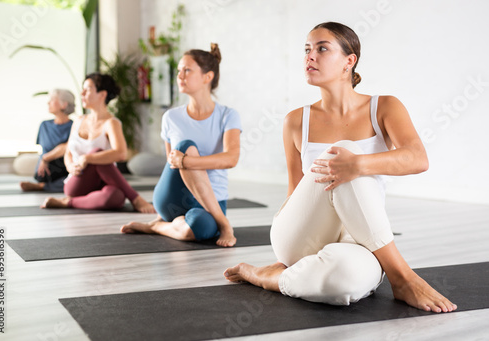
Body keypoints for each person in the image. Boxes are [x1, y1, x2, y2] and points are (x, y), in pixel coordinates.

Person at [224, 22, 457, 313]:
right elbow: (296, 188)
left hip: (361, 238)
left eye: (322, 48)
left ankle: (269, 276)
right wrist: (349, 161)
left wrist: (357, 164)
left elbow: (417, 158)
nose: (310, 56)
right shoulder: (296, 121)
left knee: (346, 282)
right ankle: (402, 277)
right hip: (300, 233)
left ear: (350, 60)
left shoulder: (384, 107)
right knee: (342, 151)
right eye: (307, 50)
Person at [121, 43, 241, 247]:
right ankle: (224, 224)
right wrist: (185, 159)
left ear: (207, 77)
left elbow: (231, 159)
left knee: (201, 229)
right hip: (174, 198)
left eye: (187, 70)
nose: (180, 76)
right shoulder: (171, 117)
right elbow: (173, 164)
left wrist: (187, 161)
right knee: (185, 145)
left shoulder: (228, 116)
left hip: (213, 201)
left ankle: (157, 227)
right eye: (178, 71)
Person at [41, 73, 154, 213]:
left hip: (104, 183)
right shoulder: (78, 121)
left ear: (102, 95)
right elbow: (68, 152)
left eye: (87, 89)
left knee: (116, 197)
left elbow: (121, 154)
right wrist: (70, 166)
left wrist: (87, 158)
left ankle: (68, 202)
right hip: (77, 181)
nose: (82, 93)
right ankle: (136, 198)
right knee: (96, 153)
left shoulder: (111, 123)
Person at [20, 89, 75, 192]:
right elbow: (43, 149)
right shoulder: (44, 125)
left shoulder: (74, 126)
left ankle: (42, 186)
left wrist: (46, 158)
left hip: (64, 168)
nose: (48, 102)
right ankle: (45, 184)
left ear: (64, 105)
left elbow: (67, 147)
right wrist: (43, 160)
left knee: (75, 180)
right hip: (45, 170)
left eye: (53, 99)